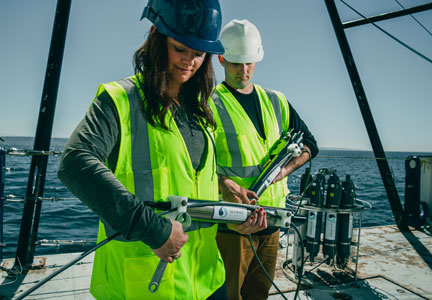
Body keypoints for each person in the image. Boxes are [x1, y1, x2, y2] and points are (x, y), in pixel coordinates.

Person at [58, 2, 266, 299]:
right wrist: (153, 230)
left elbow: (186, 177)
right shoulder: (119, 99)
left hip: (208, 281)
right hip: (146, 286)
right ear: (156, 36)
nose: (190, 62)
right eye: (180, 49)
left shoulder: (201, 111)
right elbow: (75, 164)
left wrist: (229, 201)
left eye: (198, 53)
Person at [209, 19, 319, 300]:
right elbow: (194, 163)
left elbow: (309, 144)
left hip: (272, 223)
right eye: (235, 62)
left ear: (257, 60)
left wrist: (283, 171)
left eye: (248, 63)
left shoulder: (276, 100)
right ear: (221, 58)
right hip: (233, 225)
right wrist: (223, 183)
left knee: (258, 295)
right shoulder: (208, 102)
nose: (243, 71)